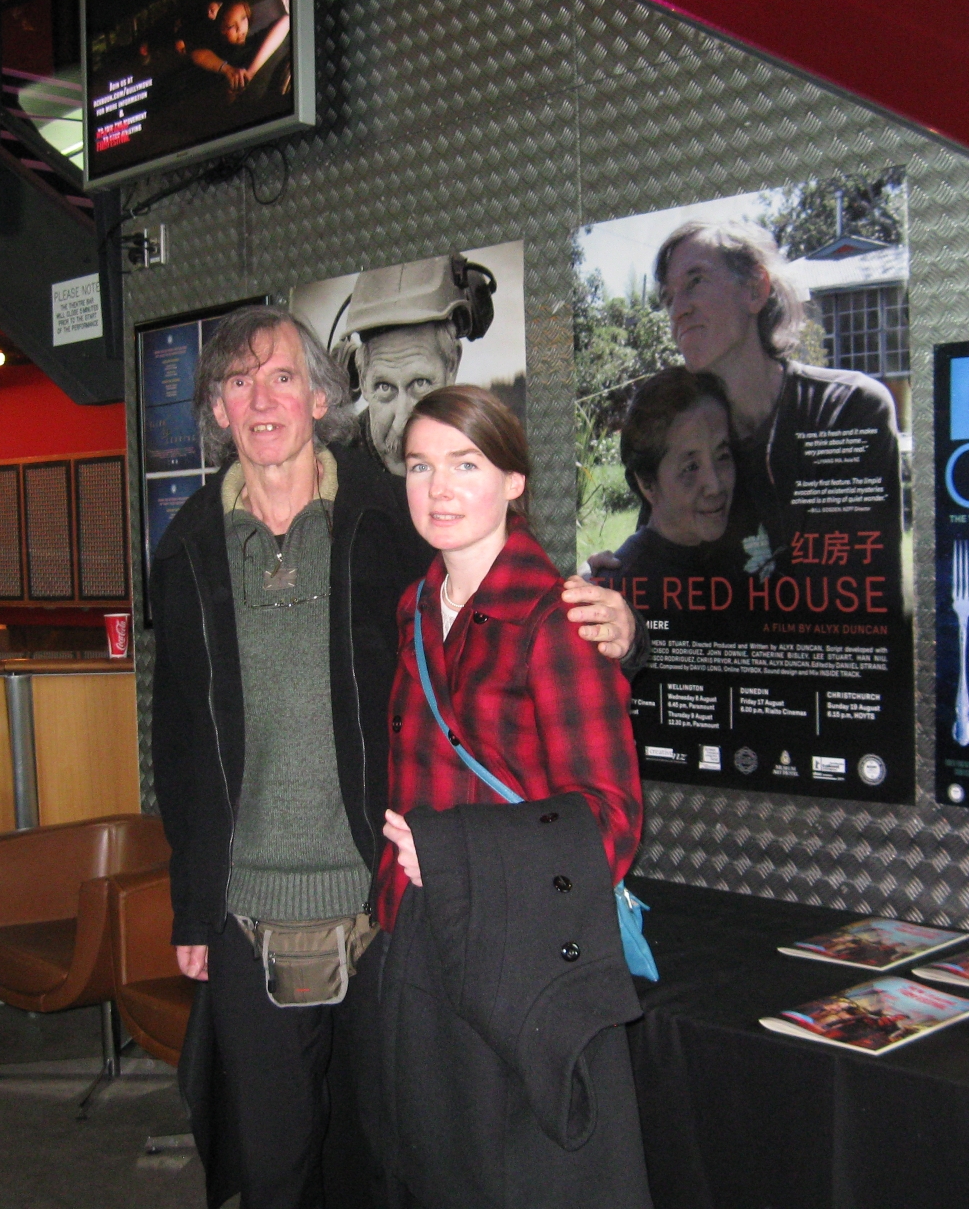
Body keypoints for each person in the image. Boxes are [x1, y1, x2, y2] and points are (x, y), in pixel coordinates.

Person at [149, 307, 640, 1209]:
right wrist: (192, 902)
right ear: (217, 409)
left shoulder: (388, 522)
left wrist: (617, 631)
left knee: (387, 1160)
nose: (263, 400)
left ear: (320, 398)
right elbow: (178, 738)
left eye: (283, 377)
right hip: (255, 909)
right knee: (275, 1168)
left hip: (387, 910)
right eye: (239, 383)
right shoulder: (184, 551)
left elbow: (510, 592)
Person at [376, 386, 652, 1208]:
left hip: (520, 956)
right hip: (418, 938)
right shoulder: (415, 606)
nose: (439, 488)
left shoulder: (560, 617)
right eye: (420, 467)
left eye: (466, 464)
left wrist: (455, 852)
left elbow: (612, 822)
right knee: (435, 1173)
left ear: (514, 481)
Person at [653, 220, 902, 580]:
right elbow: (657, 559)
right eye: (668, 298)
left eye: (695, 282)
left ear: (755, 290)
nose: (678, 311)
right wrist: (610, 575)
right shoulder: (678, 429)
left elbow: (856, 591)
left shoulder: (848, 409)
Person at [331, 253, 498, 474]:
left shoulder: (489, 452)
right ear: (362, 378)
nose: (401, 424)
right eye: (384, 387)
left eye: (420, 384)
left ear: (452, 366)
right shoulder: (331, 471)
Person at [598, 365, 745, 593]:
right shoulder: (621, 592)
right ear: (647, 484)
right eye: (691, 467)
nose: (715, 486)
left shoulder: (741, 554)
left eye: (722, 456)